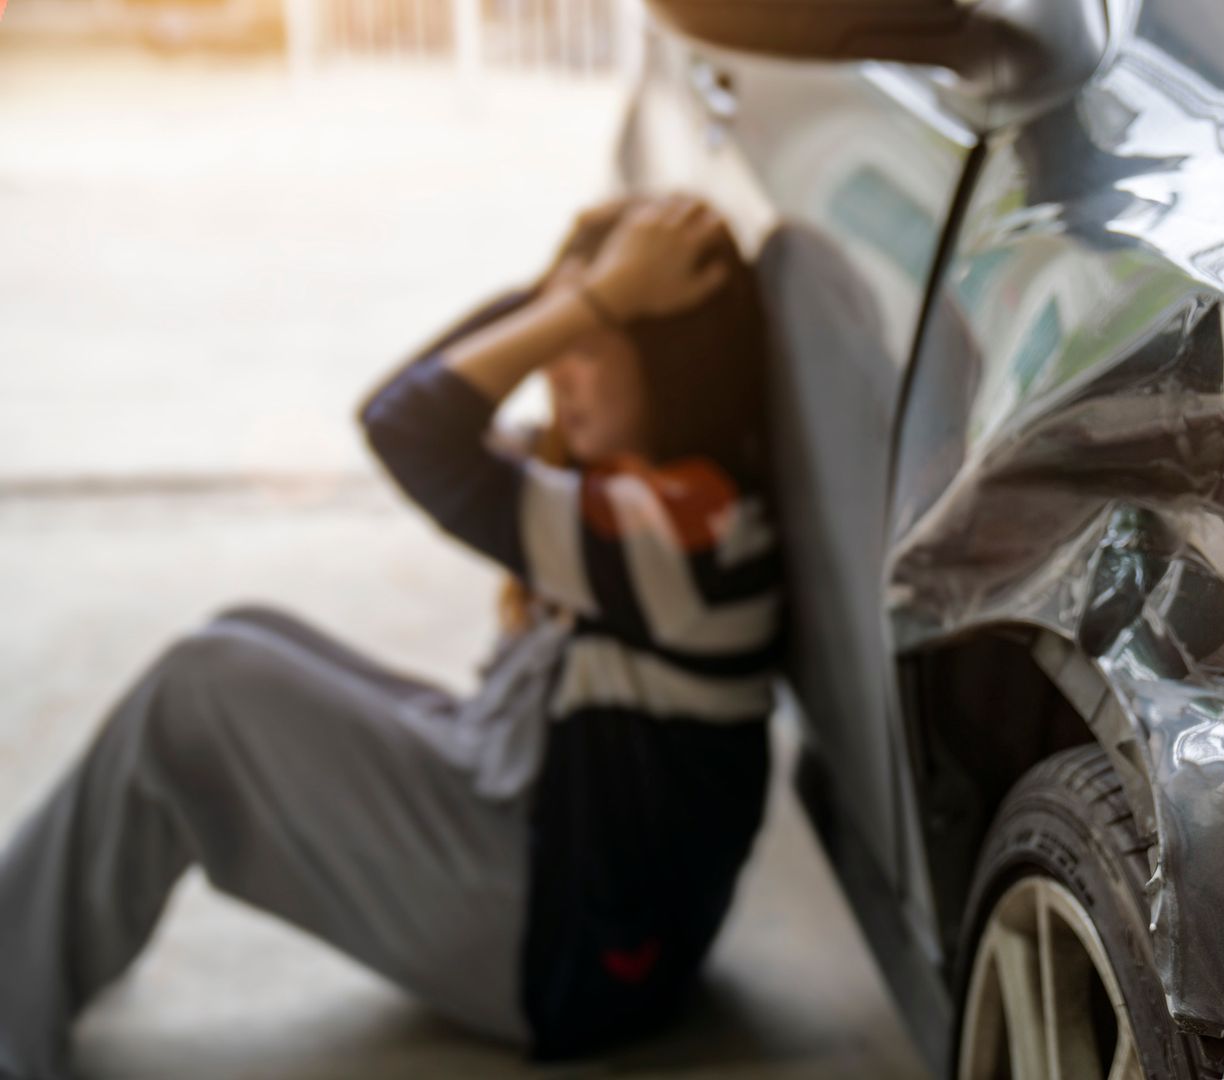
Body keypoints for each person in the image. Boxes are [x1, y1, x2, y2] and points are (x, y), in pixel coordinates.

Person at [0, 194, 781, 1078]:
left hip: (574, 951)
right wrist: (574, 295)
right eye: (556, 333)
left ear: (673, 365)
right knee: (244, 634)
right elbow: (409, 400)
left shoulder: (680, 535)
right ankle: (37, 943)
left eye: (590, 343)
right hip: (568, 888)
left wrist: (583, 296)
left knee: (199, 688)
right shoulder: (647, 494)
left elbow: (408, 426)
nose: (559, 367)